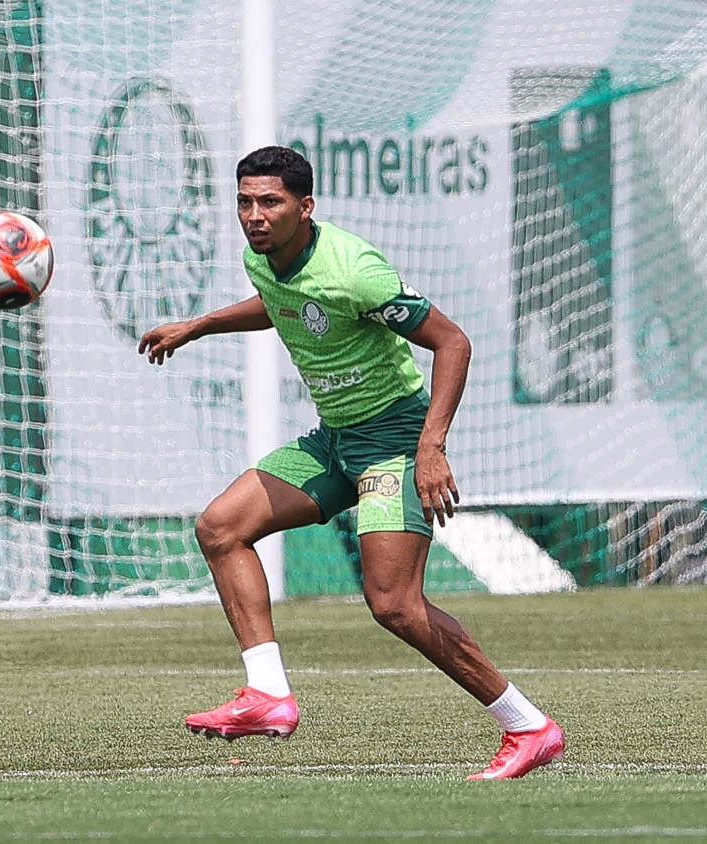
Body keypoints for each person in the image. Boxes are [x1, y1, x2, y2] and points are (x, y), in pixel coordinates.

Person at [137, 146, 564, 780]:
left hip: (395, 440)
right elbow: (280, 304)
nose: (254, 215)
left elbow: (453, 342)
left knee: (394, 605)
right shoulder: (263, 255)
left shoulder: (354, 270)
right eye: (245, 202)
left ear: (305, 208)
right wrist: (199, 326)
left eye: (270, 203)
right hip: (336, 440)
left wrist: (430, 447)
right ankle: (268, 696)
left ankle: (528, 727)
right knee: (221, 528)